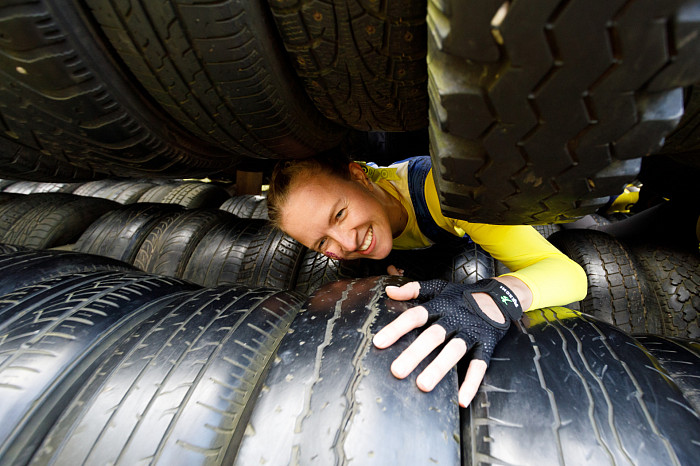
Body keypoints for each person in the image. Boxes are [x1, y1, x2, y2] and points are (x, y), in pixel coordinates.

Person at [267, 152, 587, 407]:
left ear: (359, 176)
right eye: (323, 243)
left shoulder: (452, 193)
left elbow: (570, 274)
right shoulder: (355, 238)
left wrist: (497, 298)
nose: (347, 244)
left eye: (339, 215)